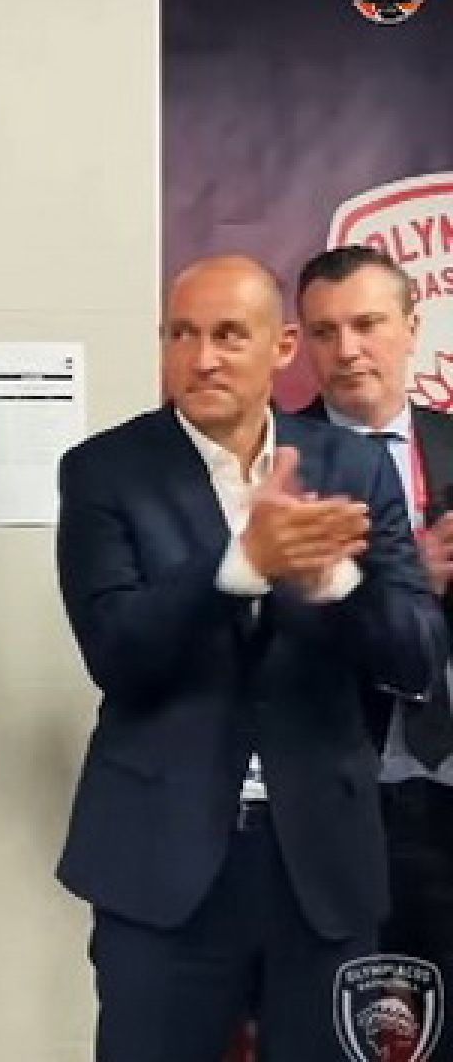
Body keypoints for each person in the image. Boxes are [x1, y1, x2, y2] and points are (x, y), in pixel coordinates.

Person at [55, 254, 446, 1061]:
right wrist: (240, 567)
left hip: (324, 864)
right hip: (162, 863)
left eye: (229, 335)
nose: (202, 358)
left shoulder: (352, 467)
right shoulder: (104, 469)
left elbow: (415, 655)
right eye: (182, 335)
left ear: (283, 346)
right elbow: (116, 651)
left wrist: (334, 582)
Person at [297, 243, 453, 1059]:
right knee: (347, 1023)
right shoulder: (279, 461)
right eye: (325, 332)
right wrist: (406, 581)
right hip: (337, 778)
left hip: (448, 779)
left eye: (367, 324)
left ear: (413, 328)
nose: (348, 349)